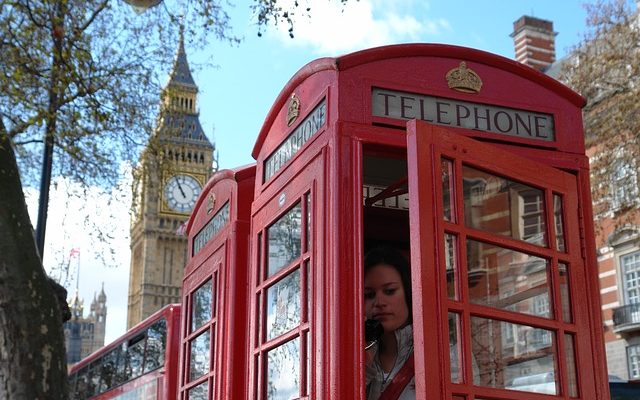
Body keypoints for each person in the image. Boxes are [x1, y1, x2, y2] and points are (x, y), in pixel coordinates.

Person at [364, 246, 415, 400]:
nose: (379, 302)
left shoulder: (447, 356)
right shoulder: (361, 360)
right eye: (369, 295)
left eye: (390, 291)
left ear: (408, 293)